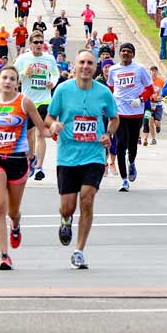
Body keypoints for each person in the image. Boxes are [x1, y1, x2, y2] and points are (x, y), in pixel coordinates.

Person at [46, 49, 118, 269]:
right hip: (67, 155)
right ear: (75, 65)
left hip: (94, 154)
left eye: (90, 63)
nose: (86, 66)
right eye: (82, 62)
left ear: (95, 67)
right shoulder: (63, 90)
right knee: (67, 206)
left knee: (87, 199)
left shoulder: (104, 92)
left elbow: (114, 118)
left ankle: (79, 251)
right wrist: (53, 124)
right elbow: (50, 116)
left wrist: (108, 134)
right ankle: (66, 220)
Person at [0, 66, 47, 270]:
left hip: (18, 160)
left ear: (17, 82)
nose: (7, 81)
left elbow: (42, 129)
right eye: (4, 77)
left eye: (12, 78)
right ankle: (4, 255)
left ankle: (16, 224)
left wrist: (54, 128)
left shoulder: (25, 102)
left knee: (12, 211)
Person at [108, 43, 153, 192]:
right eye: (123, 51)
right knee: (120, 145)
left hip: (136, 112)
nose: (125, 53)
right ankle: (124, 179)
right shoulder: (113, 70)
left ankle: (132, 162)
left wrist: (140, 99)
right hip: (119, 113)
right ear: (119, 54)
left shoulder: (139, 69)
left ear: (133, 54)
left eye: (129, 51)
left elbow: (150, 89)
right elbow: (111, 88)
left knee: (132, 144)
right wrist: (111, 103)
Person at [14, 33, 59, 181]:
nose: (39, 45)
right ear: (30, 44)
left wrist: (52, 82)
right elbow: (13, 77)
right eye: (36, 42)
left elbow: (55, 74)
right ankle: (31, 158)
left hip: (44, 100)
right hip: (28, 101)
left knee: (41, 133)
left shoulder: (49, 58)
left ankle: (39, 167)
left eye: (41, 42)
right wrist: (24, 73)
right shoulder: (23, 59)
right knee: (28, 135)